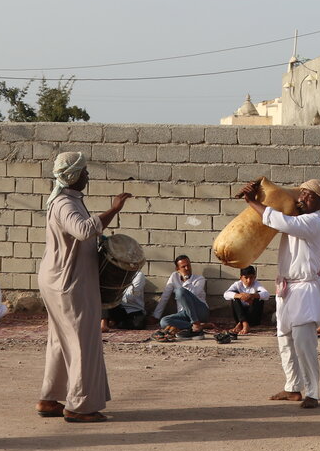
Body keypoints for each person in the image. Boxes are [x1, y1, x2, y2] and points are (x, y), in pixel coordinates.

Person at [36, 152, 132, 423]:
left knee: (60, 340)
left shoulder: (67, 200)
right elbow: (82, 230)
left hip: (61, 280)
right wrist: (114, 209)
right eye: (84, 171)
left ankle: (49, 399)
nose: (88, 175)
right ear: (73, 176)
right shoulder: (64, 203)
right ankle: (80, 406)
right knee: (82, 341)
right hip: (68, 282)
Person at [237, 177, 320, 410]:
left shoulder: (314, 220)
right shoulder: (297, 216)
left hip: (305, 288)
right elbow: (280, 213)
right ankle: (292, 387)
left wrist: (252, 202)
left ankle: (312, 392)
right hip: (287, 288)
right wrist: (259, 194)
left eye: (310, 195)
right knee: (285, 340)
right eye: (302, 193)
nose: (303, 198)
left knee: (304, 342)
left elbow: (280, 221)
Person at [152, 255, 210, 338]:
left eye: (188, 265)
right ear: (177, 269)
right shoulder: (174, 277)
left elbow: (193, 294)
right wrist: (156, 316)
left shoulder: (199, 279)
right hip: (184, 313)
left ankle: (196, 323)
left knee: (180, 291)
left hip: (200, 311)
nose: (187, 268)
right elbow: (165, 296)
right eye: (183, 267)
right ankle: (199, 325)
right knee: (164, 321)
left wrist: (186, 279)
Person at [224, 265, 272, 334]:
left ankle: (241, 324)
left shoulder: (256, 284)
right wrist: (240, 296)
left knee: (259, 297)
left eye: (251, 277)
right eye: (246, 278)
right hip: (240, 315)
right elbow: (226, 294)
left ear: (254, 277)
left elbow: (267, 295)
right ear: (241, 278)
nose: (249, 280)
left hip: (253, 317)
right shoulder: (237, 284)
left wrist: (251, 296)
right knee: (234, 297)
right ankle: (244, 323)